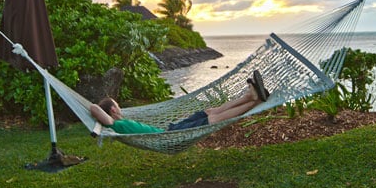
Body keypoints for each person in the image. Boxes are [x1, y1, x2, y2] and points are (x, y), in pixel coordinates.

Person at [89, 70, 270, 134]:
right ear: (113, 110)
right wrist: (104, 114)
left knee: (209, 111)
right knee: (213, 120)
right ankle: (253, 101)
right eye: (117, 104)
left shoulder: (122, 119)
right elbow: (94, 108)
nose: (119, 106)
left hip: (171, 128)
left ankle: (248, 96)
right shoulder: (117, 124)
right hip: (168, 136)